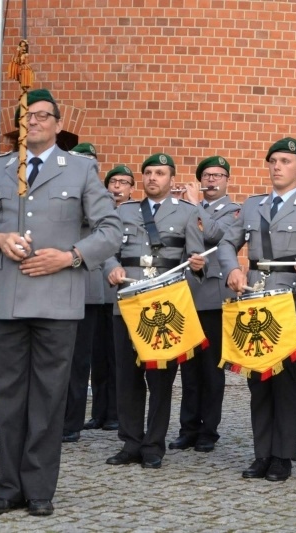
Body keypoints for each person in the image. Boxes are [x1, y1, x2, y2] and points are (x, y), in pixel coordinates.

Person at [0, 88, 122, 516]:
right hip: (8, 300)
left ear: (57, 123)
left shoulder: (81, 169)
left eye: (42, 116)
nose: (33, 122)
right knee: (8, 397)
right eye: (26, 115)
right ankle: (7, 487)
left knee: (49, 399)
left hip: (57, 301)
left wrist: (69, 257)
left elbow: (110, 231)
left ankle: (39, 490)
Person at [218, 137, 296, 482]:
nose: (277, 166)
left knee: (286, 382)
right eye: (273, 160)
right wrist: (233, 269)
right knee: (258, 380)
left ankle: (282, 455)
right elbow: (227, 242)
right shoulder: (253, 206)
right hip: (255, 301)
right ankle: (262, 454)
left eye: (285, 161)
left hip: (291, 300)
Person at [104, 153, 205, 469]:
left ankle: (153, 445)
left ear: (171, 179)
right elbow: (109, 251)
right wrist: (111, 268)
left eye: (160, 173)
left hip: (166, 306)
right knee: (127, 377)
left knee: (160, 379)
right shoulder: (124, 212)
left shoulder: (187, 213)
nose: (152, 178)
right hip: (129, 303)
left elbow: (195, 259)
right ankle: (130, 442)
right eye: (148, 172)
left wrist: (199, 266)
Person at [167, 156, 240, 453]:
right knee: (189, 369)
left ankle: (209, 430)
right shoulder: (187, 209)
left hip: (213, 297)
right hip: (187, 295)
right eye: (207, 175)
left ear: (226, 180)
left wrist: (194, 205)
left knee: (211, 369)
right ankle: (188, 428)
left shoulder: (234, 210)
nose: (212, 180)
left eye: (218, 175)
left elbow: (217, 236)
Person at [84, 165, 135, 432]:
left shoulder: (133, 215)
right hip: (97, 293)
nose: (118, 187)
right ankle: (99, 412)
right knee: (98, 358)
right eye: (114, 181)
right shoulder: (97, 213)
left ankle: (115, 412)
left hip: (119, 295)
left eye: (124, 182)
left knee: (117, 358)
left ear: (131, 189)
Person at [61, 142, 107, 443]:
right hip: (57, 284)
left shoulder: (98, 197)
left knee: (79, 362)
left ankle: (70, 424)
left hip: (87, 287)